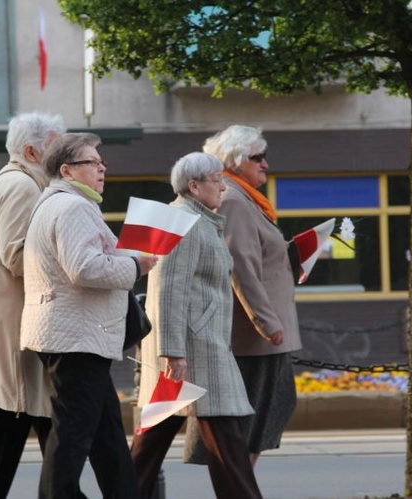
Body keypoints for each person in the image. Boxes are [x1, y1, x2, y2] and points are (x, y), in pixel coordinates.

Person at [20, 133, 158, 499]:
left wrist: (125, 257)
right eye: (92, 162)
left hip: (75, 335)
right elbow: (83, 268)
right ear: (67, 170)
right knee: (73, 437)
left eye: (102, 162)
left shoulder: (56, 204)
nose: (101, 168)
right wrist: (135, 265)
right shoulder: (73, 207)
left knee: (107, 435)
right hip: (77, 338)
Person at [131, 152, 263, 499]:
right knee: (225, 437)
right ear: (194, 186)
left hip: (196, 347)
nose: (223, 186)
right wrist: (172, 352)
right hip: (193, 349)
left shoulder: (198, 221)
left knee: (151, 447)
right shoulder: (181, 222)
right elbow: (166, 290)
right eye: (217, 180)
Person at [0, 111, 68, 499]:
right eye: (59, 146)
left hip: (14, 315)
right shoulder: (23, 186)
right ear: (32, 151)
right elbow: (17, 256)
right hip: (15, 318)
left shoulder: (17, 181)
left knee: (20, 420)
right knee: (28, 413)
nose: (68, 154)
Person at [202, 125, 303, 466]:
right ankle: (239, 490)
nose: (266, 164)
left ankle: (240, 487)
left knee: (259, 422)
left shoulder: (245, 198)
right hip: (253, 337)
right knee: (249, 427)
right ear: (234, 161)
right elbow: (240, 265)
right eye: (258, 157)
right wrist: (266, 322)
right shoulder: (233, 199)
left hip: (260, 334)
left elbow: (255, 254)